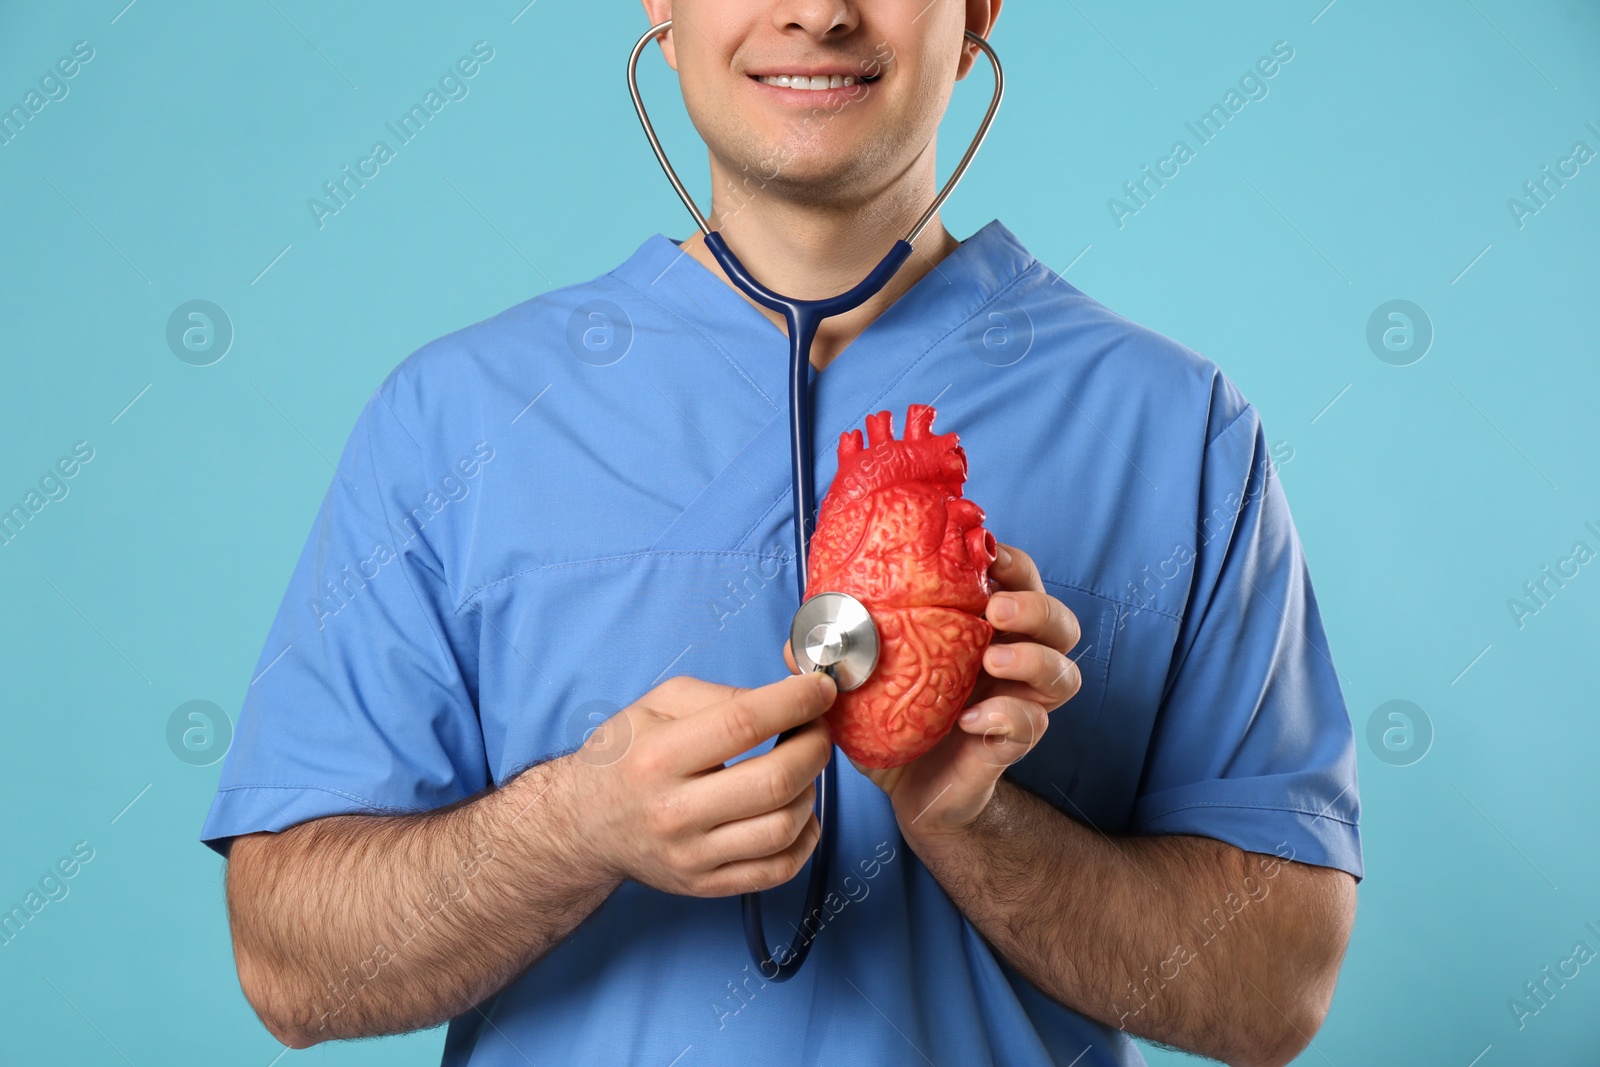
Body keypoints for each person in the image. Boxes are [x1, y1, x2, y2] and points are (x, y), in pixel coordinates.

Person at [202, 2, 1362, 1065]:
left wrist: (978, 824)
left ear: (978, 12)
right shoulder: (453, 418)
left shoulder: (1174, 428)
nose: (817, 9)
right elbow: (291, 968)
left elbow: (1273, 993)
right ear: (661, 5)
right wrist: (577, 824)